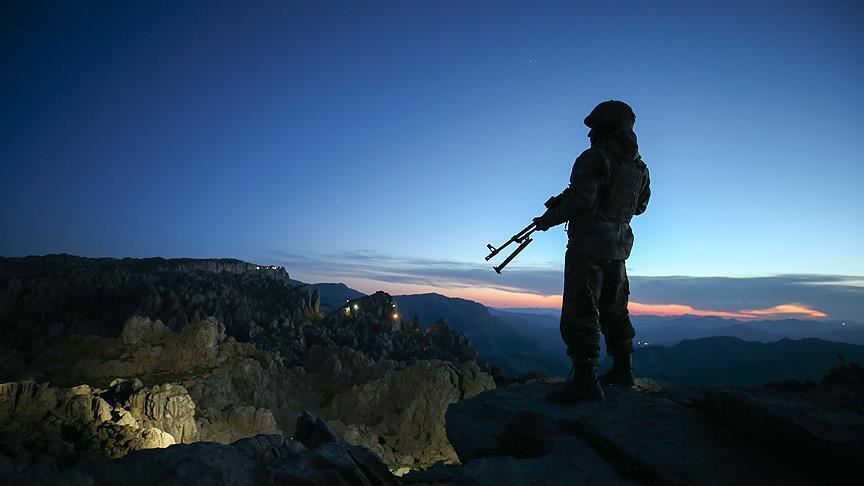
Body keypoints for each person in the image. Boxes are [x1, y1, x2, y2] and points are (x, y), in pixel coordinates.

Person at [533, 100, 651, 403]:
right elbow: (640, 206)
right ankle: (623, 370)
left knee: (580, 309)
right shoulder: (639, 168)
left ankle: (586, 380)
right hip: (619, 248)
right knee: (615, 309)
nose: (590, 133)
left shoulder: (594, 158)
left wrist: (549, 219)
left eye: (595, 126)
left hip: (587, 246)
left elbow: (583, 200)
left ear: (607, 127)